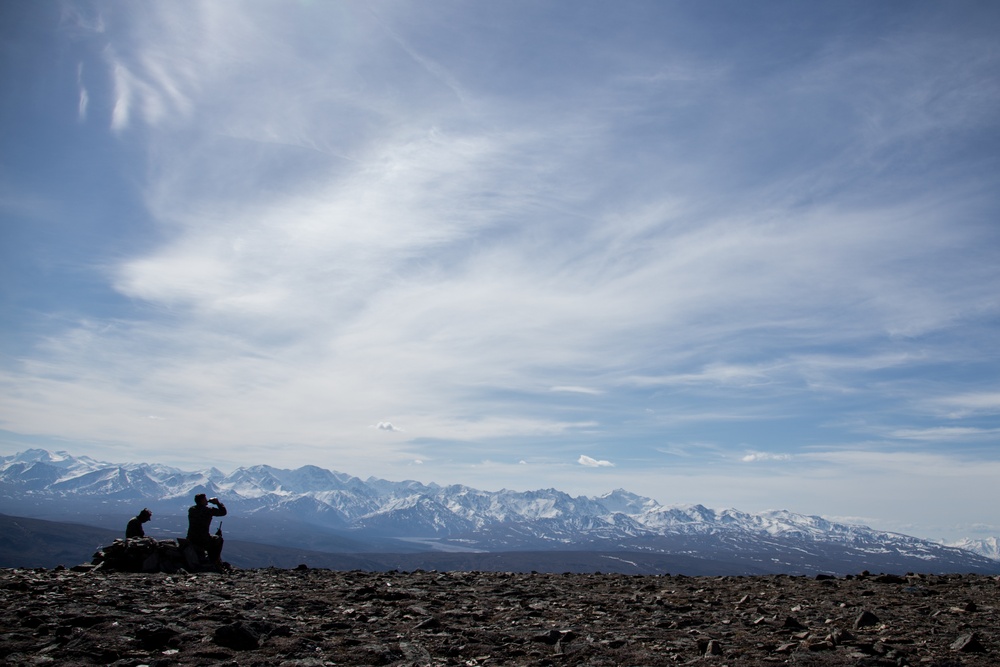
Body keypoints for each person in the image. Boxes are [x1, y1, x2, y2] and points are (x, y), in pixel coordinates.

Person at [187, 493, 227, 566]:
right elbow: (223, 512)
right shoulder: (208, 510)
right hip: (203, 539)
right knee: (218, 539)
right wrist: (217, 503)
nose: (206, 500)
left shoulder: (191, 509)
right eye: (205, 499)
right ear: (202, 501)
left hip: (191, 537)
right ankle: (214, 560)